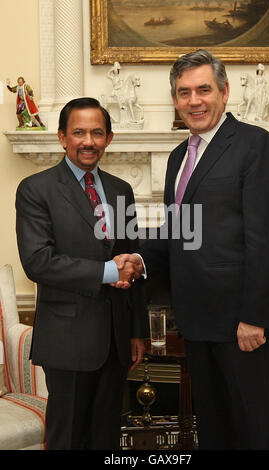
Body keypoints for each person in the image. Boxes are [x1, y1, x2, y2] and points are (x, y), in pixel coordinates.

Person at [113, 50, 269, 450]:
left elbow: (268, 240)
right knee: (216, 433)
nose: (195, 101)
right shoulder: (179, 157)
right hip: (198, 323)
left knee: (258, 434)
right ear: (175, 100)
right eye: (184, 92)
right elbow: (180, 231)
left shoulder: (255, 145)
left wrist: (254, 318)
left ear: (225, 92)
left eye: (204, 90)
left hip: (244, 327)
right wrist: (139, 259)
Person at [15, 97, 148, 450]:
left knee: (106, 438)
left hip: (117, 341)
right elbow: (38, 261)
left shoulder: (121, 190)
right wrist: (108, 271)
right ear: (62, 137)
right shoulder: (35, 189)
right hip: (67, 340)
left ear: (109, 138)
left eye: (97, 133)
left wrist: (137, 331)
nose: (88, 141)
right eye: (79, 132)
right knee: (68, 438)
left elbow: (130, 257)